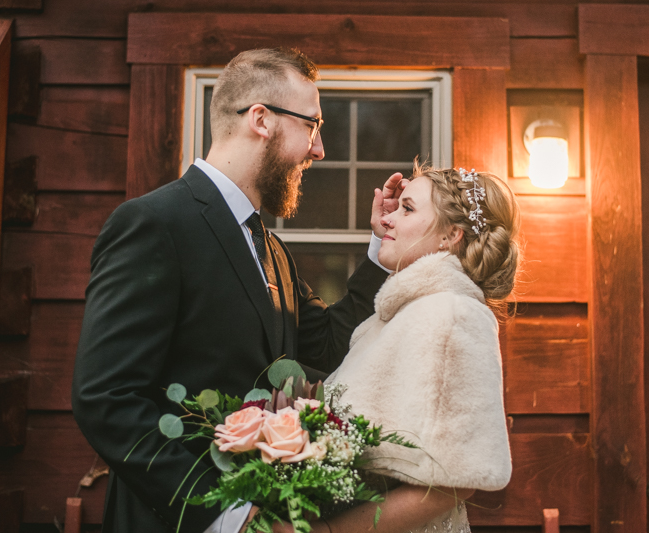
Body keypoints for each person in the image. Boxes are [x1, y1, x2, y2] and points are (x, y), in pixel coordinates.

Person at [71, 48, 404, 533]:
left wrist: (382, 247)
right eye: (312, 125)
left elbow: (332, 346)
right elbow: (106, 397)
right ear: (261, 119)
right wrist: (225, 514)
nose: (319, 149)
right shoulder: (155, 224)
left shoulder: (271, 249)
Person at [296, 164, 520, 533]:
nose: (387, 220)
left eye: (408, 209)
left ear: (450, 236)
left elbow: (454, 483)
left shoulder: (455, 315)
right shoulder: (396, 317)